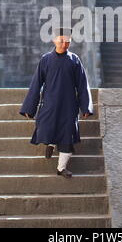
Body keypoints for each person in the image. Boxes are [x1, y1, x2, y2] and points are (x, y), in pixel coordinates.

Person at [20, 28, 93, 178]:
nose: (64, 44)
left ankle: (61, 168)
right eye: (61, 40)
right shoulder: (46, 59)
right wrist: (29, 108)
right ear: (54, 40)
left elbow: (82, 84)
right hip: (50, 103)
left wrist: (85, 106)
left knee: (67, 135)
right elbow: (36, 83)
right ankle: (51, 144)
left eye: (68, 41)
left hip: (69, 105)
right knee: (46, 126)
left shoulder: (74, 60)